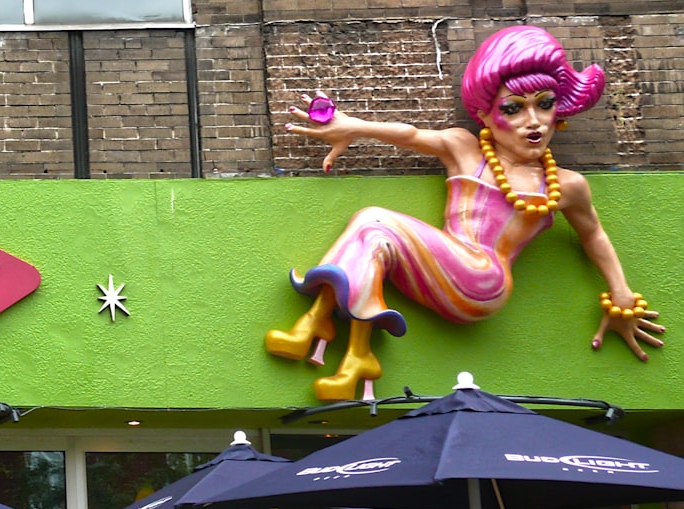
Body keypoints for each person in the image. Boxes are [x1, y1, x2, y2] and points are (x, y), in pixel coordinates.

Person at [267, 25, 665, 401]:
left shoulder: (566, 184)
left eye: (544, 105)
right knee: (375, 243)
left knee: (374, 221)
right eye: (513, 109)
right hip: (443, 268)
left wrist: (622, 298)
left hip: (485, 282)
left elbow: (593, 233)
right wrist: (354, 126)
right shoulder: (466, 149)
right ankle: (354, 355)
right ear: (487, 116)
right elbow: (411, 135)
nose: (533, 122)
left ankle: (319, 326)